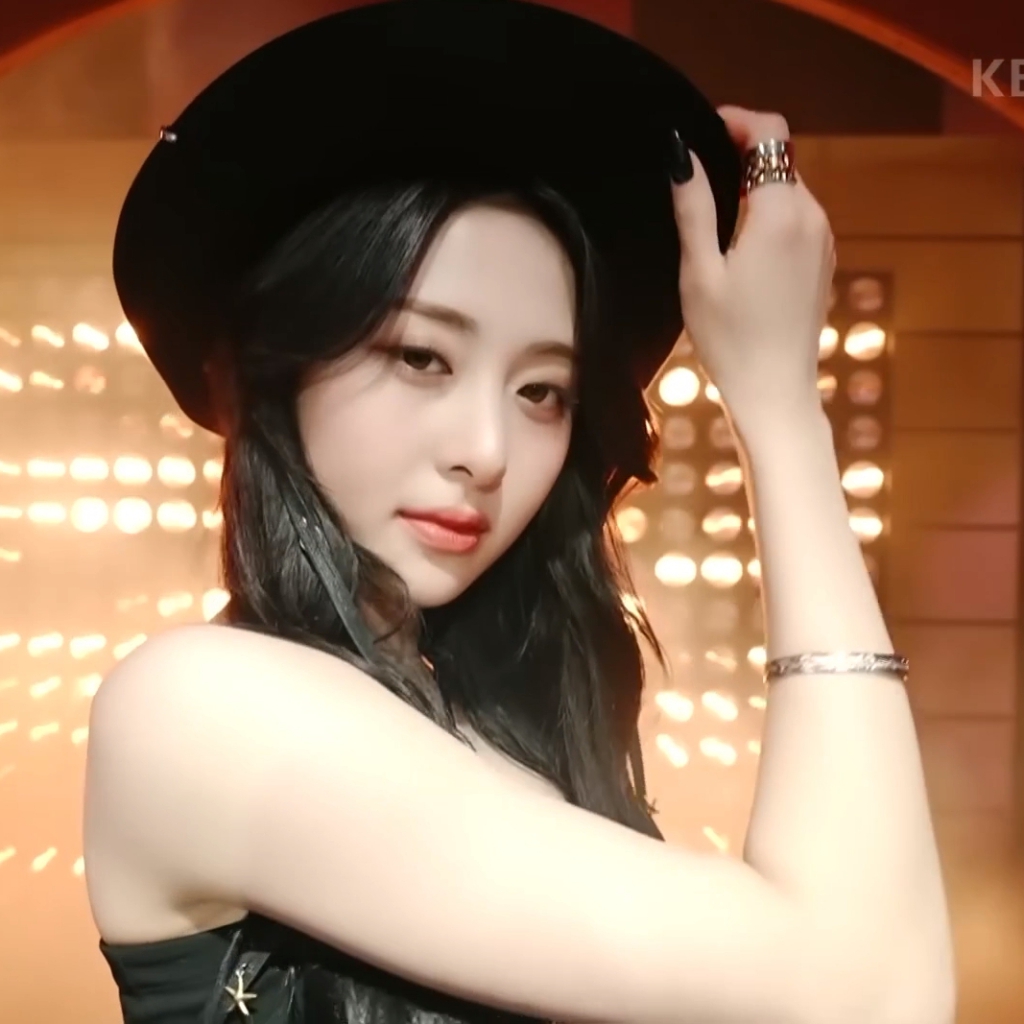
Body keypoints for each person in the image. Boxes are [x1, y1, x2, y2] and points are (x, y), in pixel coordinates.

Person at [82, 1, 955, 1023]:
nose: (488, 451)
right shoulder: (198, 708)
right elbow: (871, 995)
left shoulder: (494, 734)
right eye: (421, 356)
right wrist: (780, 408)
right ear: (283, 370)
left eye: (542, 390)